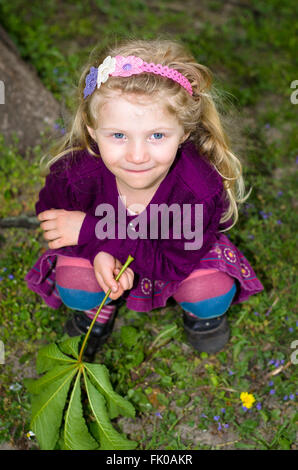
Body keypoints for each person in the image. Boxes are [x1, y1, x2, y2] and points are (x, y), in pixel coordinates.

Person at [24, 38, 264, 360]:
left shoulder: (197, 188)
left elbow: (170, 263)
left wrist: (94, 233)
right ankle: (101, 307)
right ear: (93, 131)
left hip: (177, 260)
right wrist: (98, 252)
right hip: (110, 252)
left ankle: (201, 316)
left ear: (185, 133)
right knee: (76, 283)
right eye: (119, 135)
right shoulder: (76, 170)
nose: (137, 156)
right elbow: (52, 216)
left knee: (209, 293)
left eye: (157, 135)